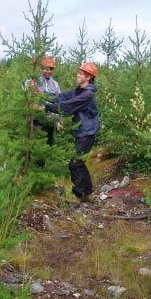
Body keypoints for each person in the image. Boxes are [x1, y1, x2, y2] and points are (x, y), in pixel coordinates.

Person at [44, 62, 99, 203]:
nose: (78, 75)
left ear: (88, 77)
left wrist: (46, 106)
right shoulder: (79, 90)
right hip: (83, 131)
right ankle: (87, 194)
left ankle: (78, 195)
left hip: (87, 132)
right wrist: (42, 95)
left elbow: (67, 106)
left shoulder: (87, 94)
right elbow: (63, 97)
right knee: (79, 162)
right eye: (79, 72)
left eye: (81, 73)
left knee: (75, 163)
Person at [25, 56, 61, 146]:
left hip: (51, 118)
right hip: (37, 117)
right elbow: (25, 89)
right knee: (36, 143)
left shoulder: (55, 84)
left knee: (49, 142)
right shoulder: (33, 81)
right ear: (41, 69)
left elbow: (59, 102)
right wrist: (29, 87)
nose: (49, 71)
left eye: (51, 69)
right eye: (46, 69)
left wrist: (59, 120)